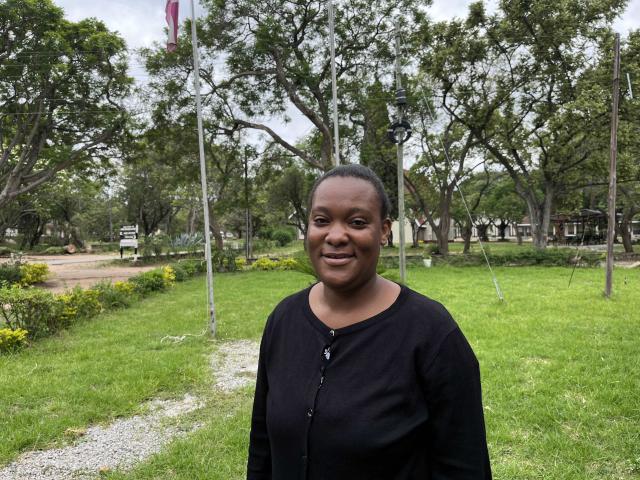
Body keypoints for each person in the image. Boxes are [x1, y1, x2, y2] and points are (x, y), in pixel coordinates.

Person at [247, 164, 491, 479]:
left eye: (357, 222)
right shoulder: (284, 319)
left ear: (384, 231)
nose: (335, 236)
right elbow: (262, 443)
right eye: (321, 221)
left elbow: (464, 465)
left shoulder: (430, 332)